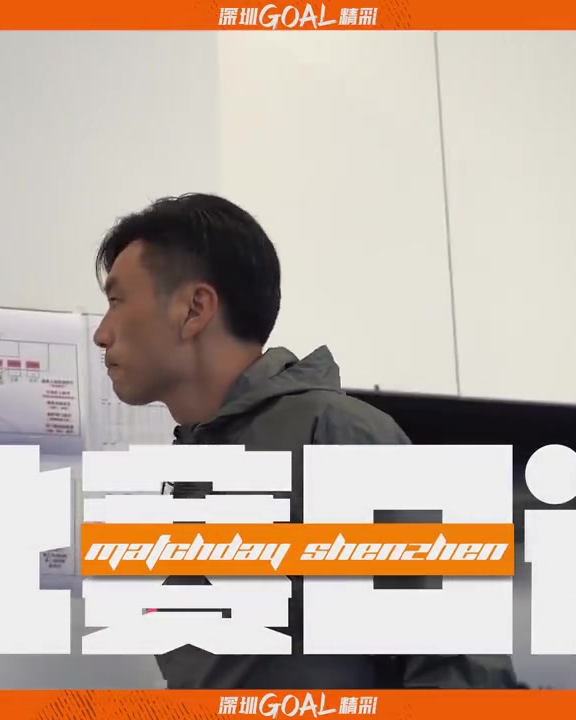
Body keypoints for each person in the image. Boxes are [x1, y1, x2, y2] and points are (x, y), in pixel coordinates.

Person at [91, 192, 522, 689]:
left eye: (117, 302)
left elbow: (459, 670)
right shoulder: (185, 473)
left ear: (194, 309)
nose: (102, 333)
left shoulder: (339, 438)